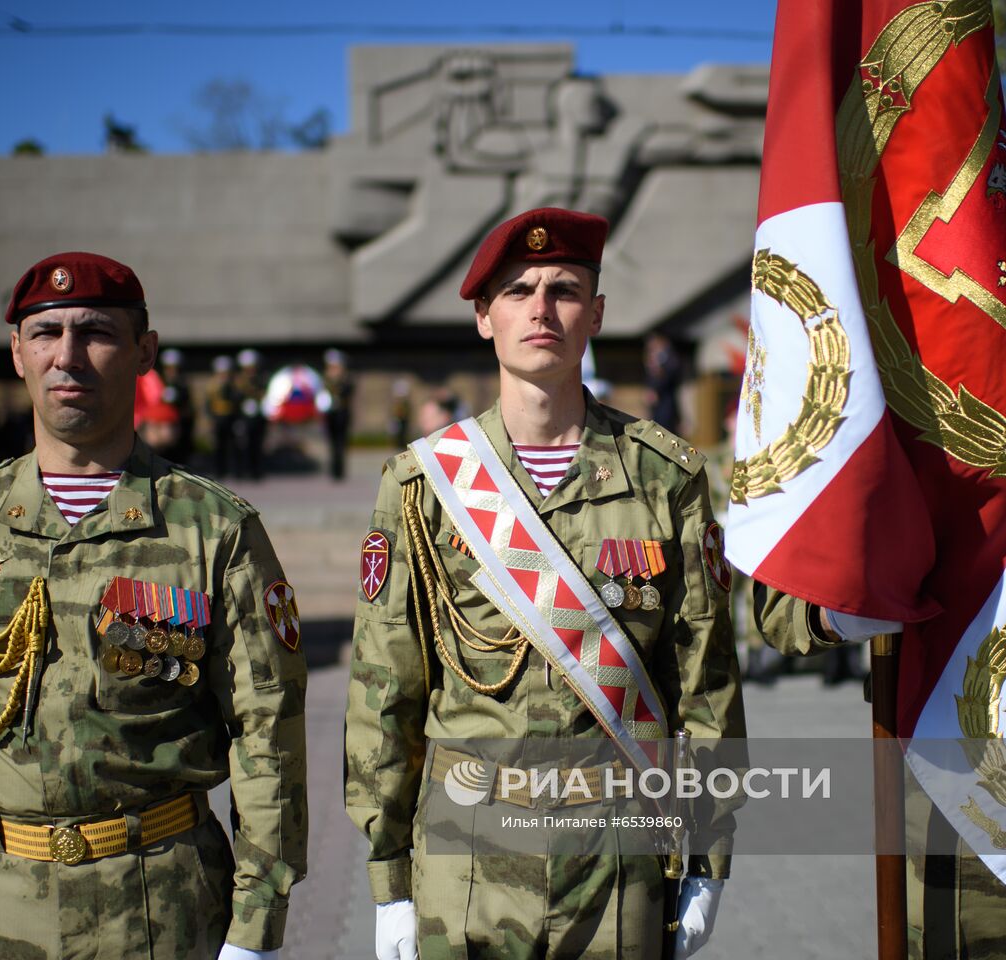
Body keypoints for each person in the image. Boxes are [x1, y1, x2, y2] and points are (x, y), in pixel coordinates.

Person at [0, 252, 308, 960]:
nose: (67, 355)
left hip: (164, 909)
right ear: (17, 352)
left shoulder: (213, 528)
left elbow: (268, 734)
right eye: (45, 332)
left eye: (96, 332)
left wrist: (255, 931)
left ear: (144, 352)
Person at [344, 208, 745, 959]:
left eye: (564, 289)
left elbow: (707, 684)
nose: (540, 308)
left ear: (595, 313)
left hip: (619, 860)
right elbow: (383, 689)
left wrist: (708, 859)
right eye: (518, 289)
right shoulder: (422, 484)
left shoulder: (665, 477)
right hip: (463, 857)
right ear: (483, 317)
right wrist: (388, 879)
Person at [753, 175, 1006, 958]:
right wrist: (849, 601)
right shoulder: (896, 432)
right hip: (971, 800)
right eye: (998, 253)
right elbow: (780, 606)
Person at [319, 348, 356, 481]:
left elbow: (347, 391)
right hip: (330, 414)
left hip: (342, 414)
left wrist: (336, 380)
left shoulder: (345, 379)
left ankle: (340, 471)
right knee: (332, 443)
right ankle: (333, 470)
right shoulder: (325, 379)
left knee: (341, 443)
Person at [205, 355, 242, 478]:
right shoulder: (212, 385)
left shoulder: (234, 385)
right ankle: (219, 471)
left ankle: (236, 471)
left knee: (233, 445)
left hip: (231, 417)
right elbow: (208, 403)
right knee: (218, 446)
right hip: (218, 417)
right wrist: (210, 418)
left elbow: (237, 401)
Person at [234, 348, 268, 481]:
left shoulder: (260, 379)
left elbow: (264, 395)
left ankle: (256, 472)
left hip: (257, 417)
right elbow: (235, 399)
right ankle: (242, 471)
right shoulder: (239, 381)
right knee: (242, 445)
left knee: (257, 445)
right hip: (243, 418)